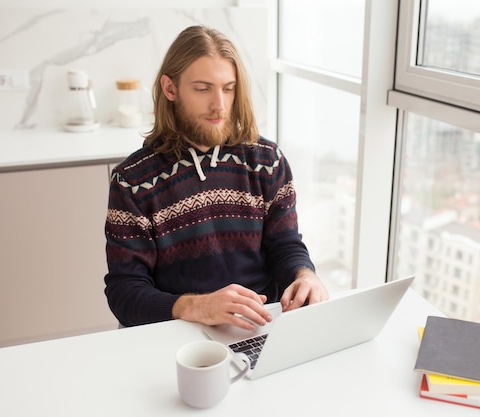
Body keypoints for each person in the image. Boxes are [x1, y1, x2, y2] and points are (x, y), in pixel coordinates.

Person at [104, 25, 329, 330]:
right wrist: (197, 306)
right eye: (202, 88)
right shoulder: (132, 182)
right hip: (177, 331)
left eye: (228, 88)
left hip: (258, 327)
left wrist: (305, 275)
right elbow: (125, 293)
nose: (219, 105)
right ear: (170, 89)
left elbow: (285, 245)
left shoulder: (267, 161)